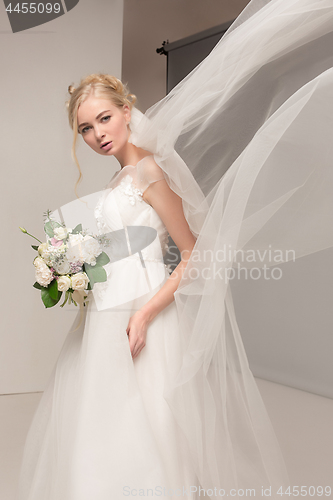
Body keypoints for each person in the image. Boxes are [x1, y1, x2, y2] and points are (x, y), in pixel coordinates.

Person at [18, 0, 333, 499]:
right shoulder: (122, 175)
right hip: (105, 316)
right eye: (85, 128)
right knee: (100, 419)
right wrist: (73, 268)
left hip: (144, 312)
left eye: (104, 118)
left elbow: (196, 254)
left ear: (127, 110)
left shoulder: (148, 172)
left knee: (146, 425)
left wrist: (145, 315)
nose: (98, 134)